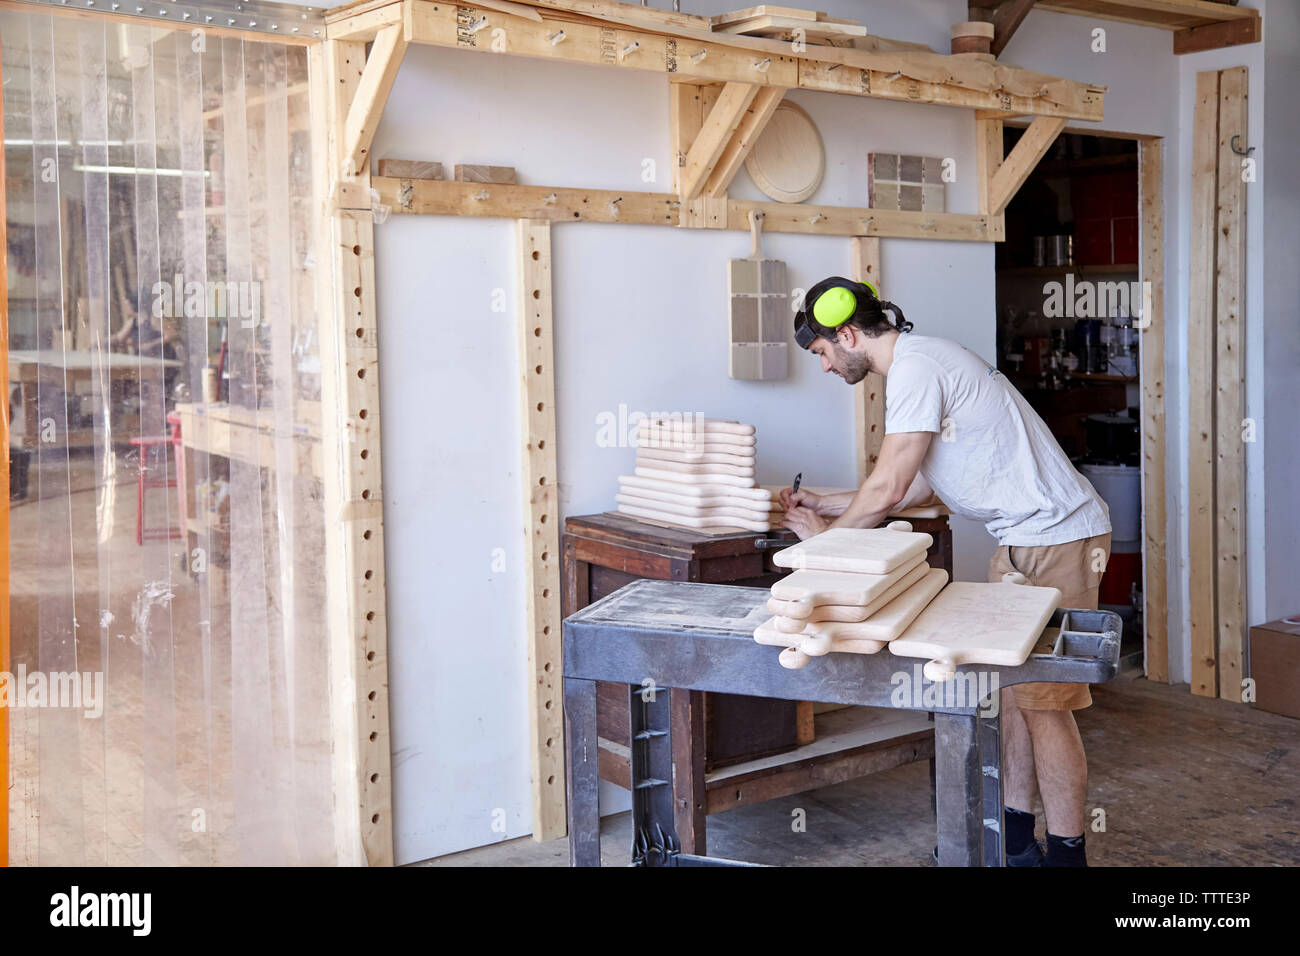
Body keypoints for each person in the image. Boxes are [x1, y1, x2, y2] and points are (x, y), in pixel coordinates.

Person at [780, 276, 1111, 867]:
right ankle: (1013, 842)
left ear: (849, 334)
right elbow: (930, 480)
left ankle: (1065, 856)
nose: (826, 368)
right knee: (1012, 694)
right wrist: (832, 505)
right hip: (1023, 543)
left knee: (1045, 704)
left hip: (1060, 539)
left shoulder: (917, 368)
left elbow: (890, 486)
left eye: (823, 353)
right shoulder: (921, 363)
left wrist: (824, 550)